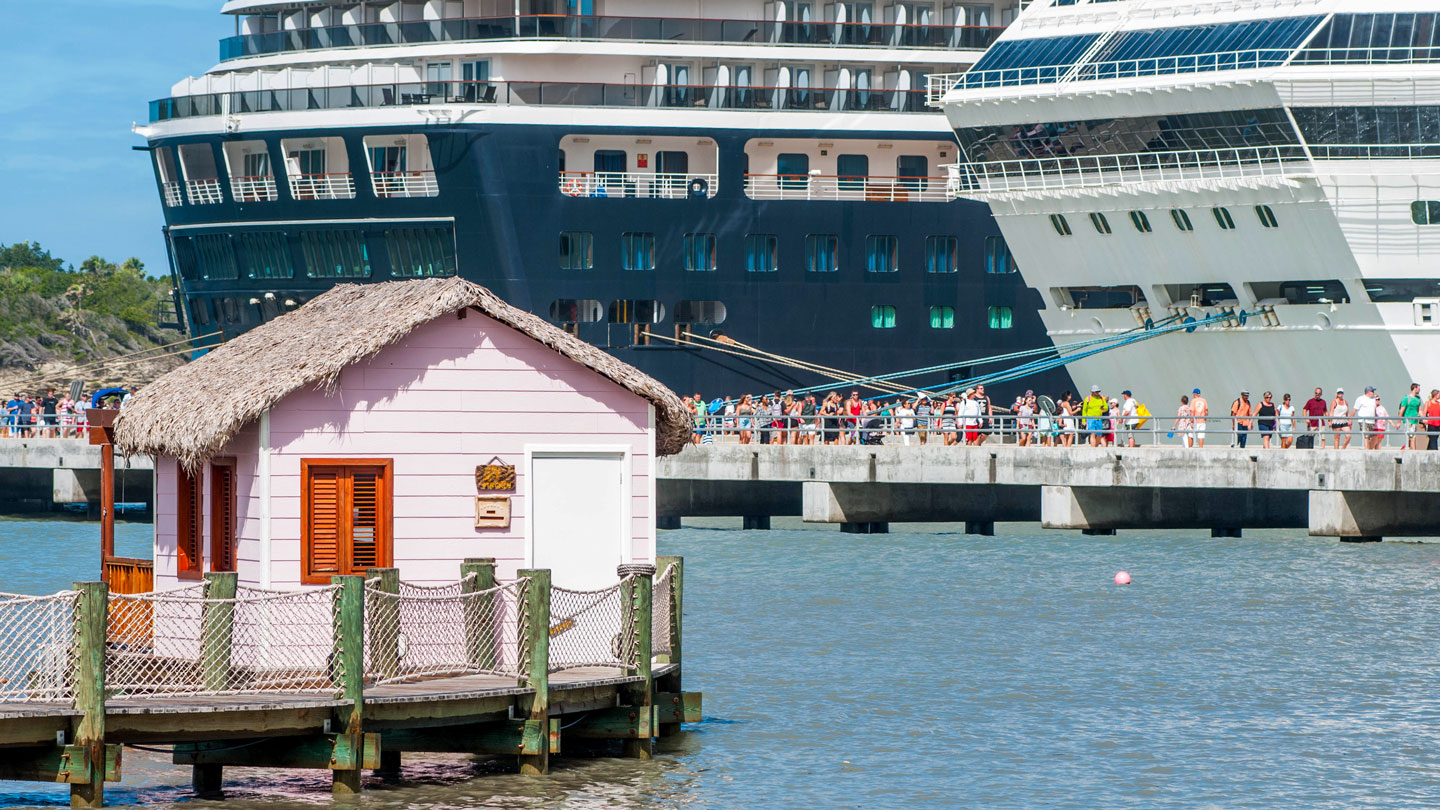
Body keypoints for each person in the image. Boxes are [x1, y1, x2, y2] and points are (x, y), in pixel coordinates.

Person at [1399, 383, 1424, 451]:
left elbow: (1419, 410)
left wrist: (1424, 419)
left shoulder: (1418, 399)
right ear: (1414, 388)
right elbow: (1401, 410)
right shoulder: (1407, 398)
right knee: (1412, 437)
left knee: (1412, 437)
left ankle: (1405, 449)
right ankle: (1413, 451)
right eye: (1418, 388)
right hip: (1408, 421)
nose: (1419, 390)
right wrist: (1399, 422)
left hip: (1415, 421)